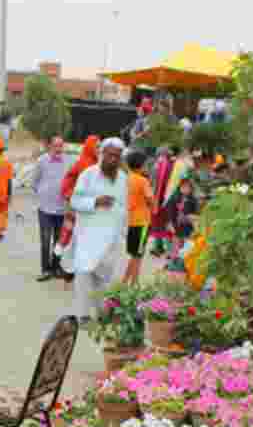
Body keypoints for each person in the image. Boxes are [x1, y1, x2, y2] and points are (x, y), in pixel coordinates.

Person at [60, 137, 128, 323]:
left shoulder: (122, 178)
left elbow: (124, 207)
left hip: (110, 237)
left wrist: (123, 232)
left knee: (104, 277)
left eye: (117, 156)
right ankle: (82, 314)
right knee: (83, 274)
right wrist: (95, 202)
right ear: (102, 154)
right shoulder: (88, 175)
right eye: (110, 155)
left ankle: (101, 313)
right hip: (88, 234)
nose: (113, 159)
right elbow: (75, 201)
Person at [55, 135, 101, 285]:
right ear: (89, 147)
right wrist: (69, 196)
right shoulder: (81, 163)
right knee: (71, 238)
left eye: (100, 147)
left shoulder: (97, 165)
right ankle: (67, 270)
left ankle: (73, 271)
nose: (98, 149)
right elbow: (67, 181)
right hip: (77, 209)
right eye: (96, 146)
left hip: (89, 210)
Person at [32, 136, 69, 281]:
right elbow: (34, 182)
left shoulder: (68, 161)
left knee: (59, 241)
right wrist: (43, 194)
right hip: (45, 209)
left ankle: (56, 267)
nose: (59, 149)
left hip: (61, 209)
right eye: (56, 146)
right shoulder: (42, 161)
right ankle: (45, 270)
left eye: (61, 146)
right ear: (50, 147)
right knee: (46, 239)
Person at [122, 150, 154, 285]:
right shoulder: (143, 181)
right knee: (138, 256)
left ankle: (124, 282)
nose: (147, 167)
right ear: (140, 165)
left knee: (134, 255)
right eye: (146, 164)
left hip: (130, 221)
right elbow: (151, 200)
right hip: (142, 221)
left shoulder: (126, 178)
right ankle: (134, 283)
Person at [148, 146, 174, 257]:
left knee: (158, 223)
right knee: (166, 222)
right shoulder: (171, 165)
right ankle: (168, 249)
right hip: (167, 198)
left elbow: (153, 183)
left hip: (157, 198)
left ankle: (159, 247)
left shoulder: (156, 165)